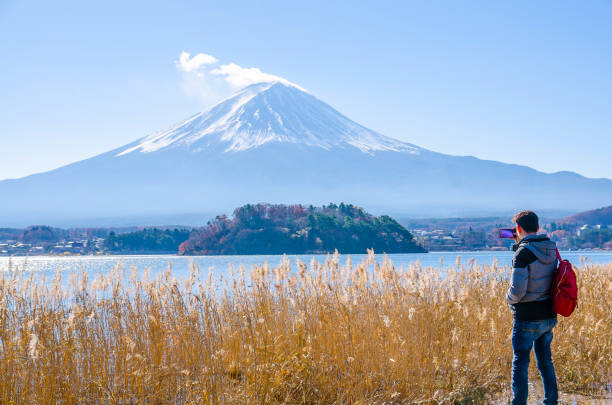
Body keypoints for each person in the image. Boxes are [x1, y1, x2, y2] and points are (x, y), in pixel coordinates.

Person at [506, 210, 558, 405]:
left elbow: (517, 291)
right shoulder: (551, 248)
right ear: (537, 227)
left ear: (518, 229)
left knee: (520, 363)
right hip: (548, 315)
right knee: (545, 362)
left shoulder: (523, 253)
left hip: (527, 317)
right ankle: (551, 401)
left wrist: (508, 298)